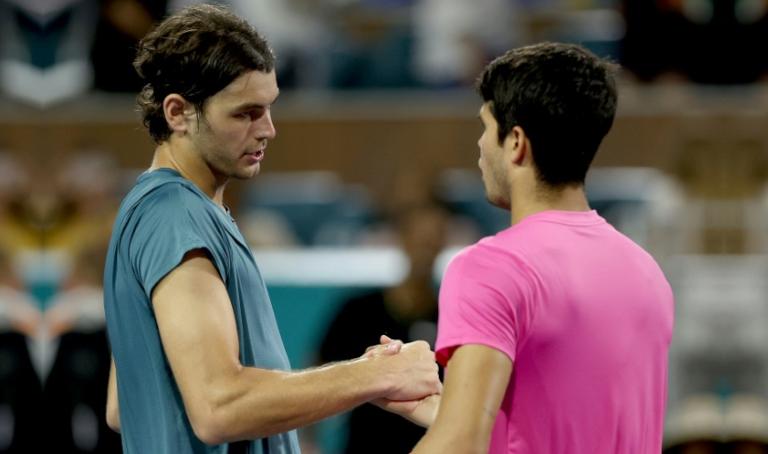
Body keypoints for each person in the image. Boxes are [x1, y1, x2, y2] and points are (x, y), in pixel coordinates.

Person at [102, 5, 441, 453]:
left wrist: (361, 376)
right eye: (246, 113)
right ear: (178, 112)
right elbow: (219, 406)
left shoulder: (172, 212)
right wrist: (376, 374)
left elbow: (124, 405)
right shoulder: (175, 218)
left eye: (268, 108)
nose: (269, 129)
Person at [378, 42, 675, 453]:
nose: (480, 146)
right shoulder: (647, 272)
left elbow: (460, 445)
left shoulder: (489, 268)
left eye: (485, 127)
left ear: (516, 142)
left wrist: (456, 427)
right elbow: (570, 422)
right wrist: (454, 409)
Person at [319, 201, 448, 454]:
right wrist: (309, 440)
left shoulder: (451, 317)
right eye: (419, 238)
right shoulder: (357, 311)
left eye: (433, 240)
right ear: (402, 239)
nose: (425, 248)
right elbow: (319, 372)